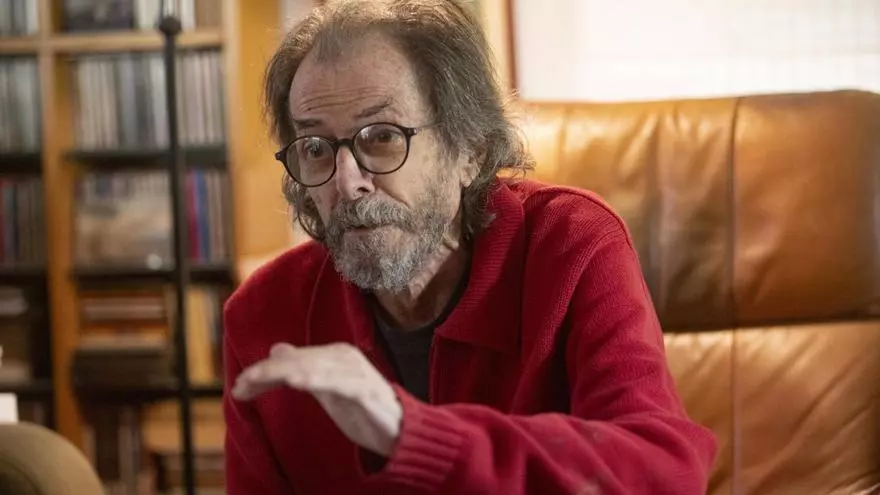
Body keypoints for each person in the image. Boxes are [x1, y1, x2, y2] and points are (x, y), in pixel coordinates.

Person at [223, 0, 717, 493]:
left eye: (382, 137)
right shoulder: (262, 316)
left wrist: (411, 434)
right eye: (315, 148)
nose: (347, 181)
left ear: (470, 152)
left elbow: (663, 475)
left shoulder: (572, 247)